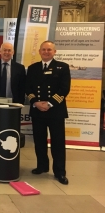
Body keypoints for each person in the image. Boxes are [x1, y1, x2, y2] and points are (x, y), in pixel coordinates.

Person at [25, 41, 71, 185]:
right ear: (39, 51)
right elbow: (28, 88)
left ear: (54, 52)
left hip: (55, 111)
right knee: (39, 141)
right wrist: (36, 103)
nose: (46, 52)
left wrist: (49, 103)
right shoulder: (33, 68)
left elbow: (64, 89)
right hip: (38, 110)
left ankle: (60, 172)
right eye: (44, 49)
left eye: (49, 50)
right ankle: (42, 166)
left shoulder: (62, 67)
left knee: (57, 143)